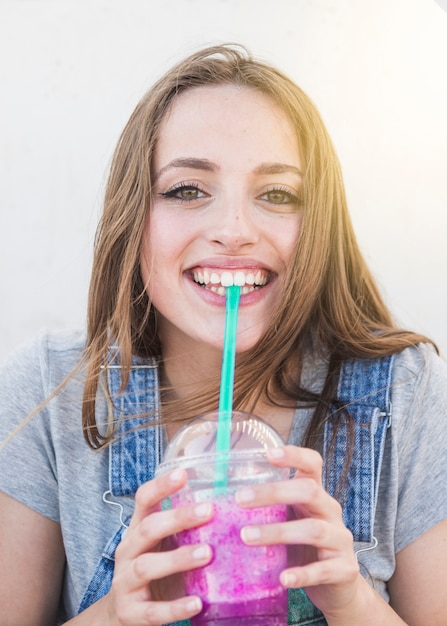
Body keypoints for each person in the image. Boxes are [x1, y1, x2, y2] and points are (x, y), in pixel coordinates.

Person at [0, 43, 446, 626]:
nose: (234, 230)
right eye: (188, 190)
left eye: (277, 194)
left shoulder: (407, 396)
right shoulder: (46, 392)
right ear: (133, 216)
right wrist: (114, 615)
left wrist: (352, 600)